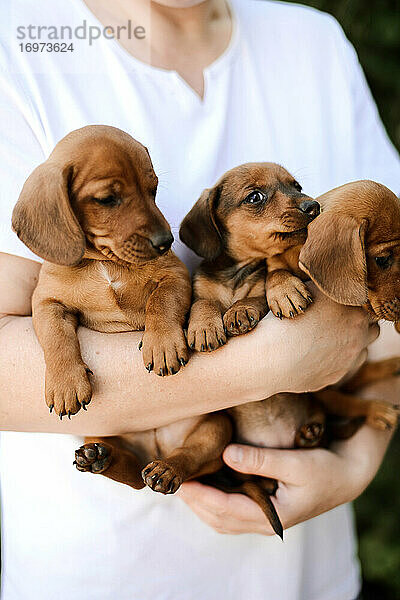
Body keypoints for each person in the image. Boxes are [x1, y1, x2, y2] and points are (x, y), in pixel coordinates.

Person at [0, 0, 399, 598]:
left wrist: (359, 462)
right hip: (101, 572)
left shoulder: (315, 41)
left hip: (307, 572)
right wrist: (265, 364)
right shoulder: (18, 40)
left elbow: (387, 286)